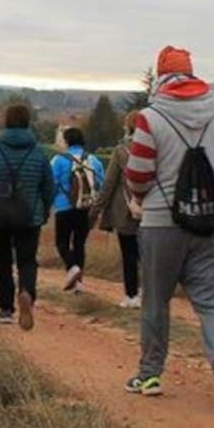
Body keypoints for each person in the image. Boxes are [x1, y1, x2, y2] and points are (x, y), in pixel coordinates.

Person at [123, 45, 214, 412]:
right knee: (211, 300)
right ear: (192, 73)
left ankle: (150, 375)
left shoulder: (150, 117)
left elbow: (138, 175)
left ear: (161, 76)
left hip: (160, 223)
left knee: (156, 300)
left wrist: (139, 198)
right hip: (210, 221)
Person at [0, 103, 55, 330]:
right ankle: (26, 293)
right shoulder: (38, 152)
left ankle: (6, 308)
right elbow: (48, 187)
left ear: (6, 122)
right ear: (28, 122)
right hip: (29, 217)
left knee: (2, 261)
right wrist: (44, 211)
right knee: (27, 260)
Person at [91, 111, 142, 308]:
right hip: (153, 210)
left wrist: (96, 210)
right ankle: (150, 292)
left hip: (127, 210)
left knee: (129, 254)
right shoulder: (157, 148)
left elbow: (109, 184)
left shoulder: (121, 151)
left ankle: (131, 295)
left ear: (128, 127)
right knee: (148, 254)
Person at [50, 127, 105, 293]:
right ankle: (78, 283)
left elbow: (52, 184)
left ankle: (72, 268)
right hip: (85, 207)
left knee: (61, 242)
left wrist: (50, 203)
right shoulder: (94, 160)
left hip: (64, 207)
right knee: (79, 243)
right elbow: (101, 183)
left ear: (67, 141)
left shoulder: (58, 160)